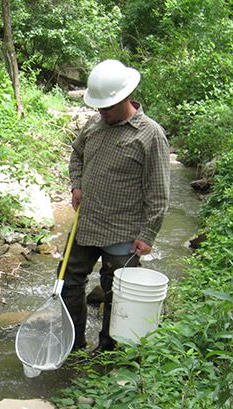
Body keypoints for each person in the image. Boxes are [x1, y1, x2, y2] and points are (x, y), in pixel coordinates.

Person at [64, 59, 170, 353]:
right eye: (98, 107)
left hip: (123, 231)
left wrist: (148, 234)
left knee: (116, 293)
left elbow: (159, 191)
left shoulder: (150, 135)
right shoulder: (94, 125)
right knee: (68, 281)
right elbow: (77, 156)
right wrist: (77, 184)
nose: (101, 112)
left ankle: (107, 350)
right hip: (86, 224)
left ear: (125, 98)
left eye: (106, 107)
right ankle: (74, 344)